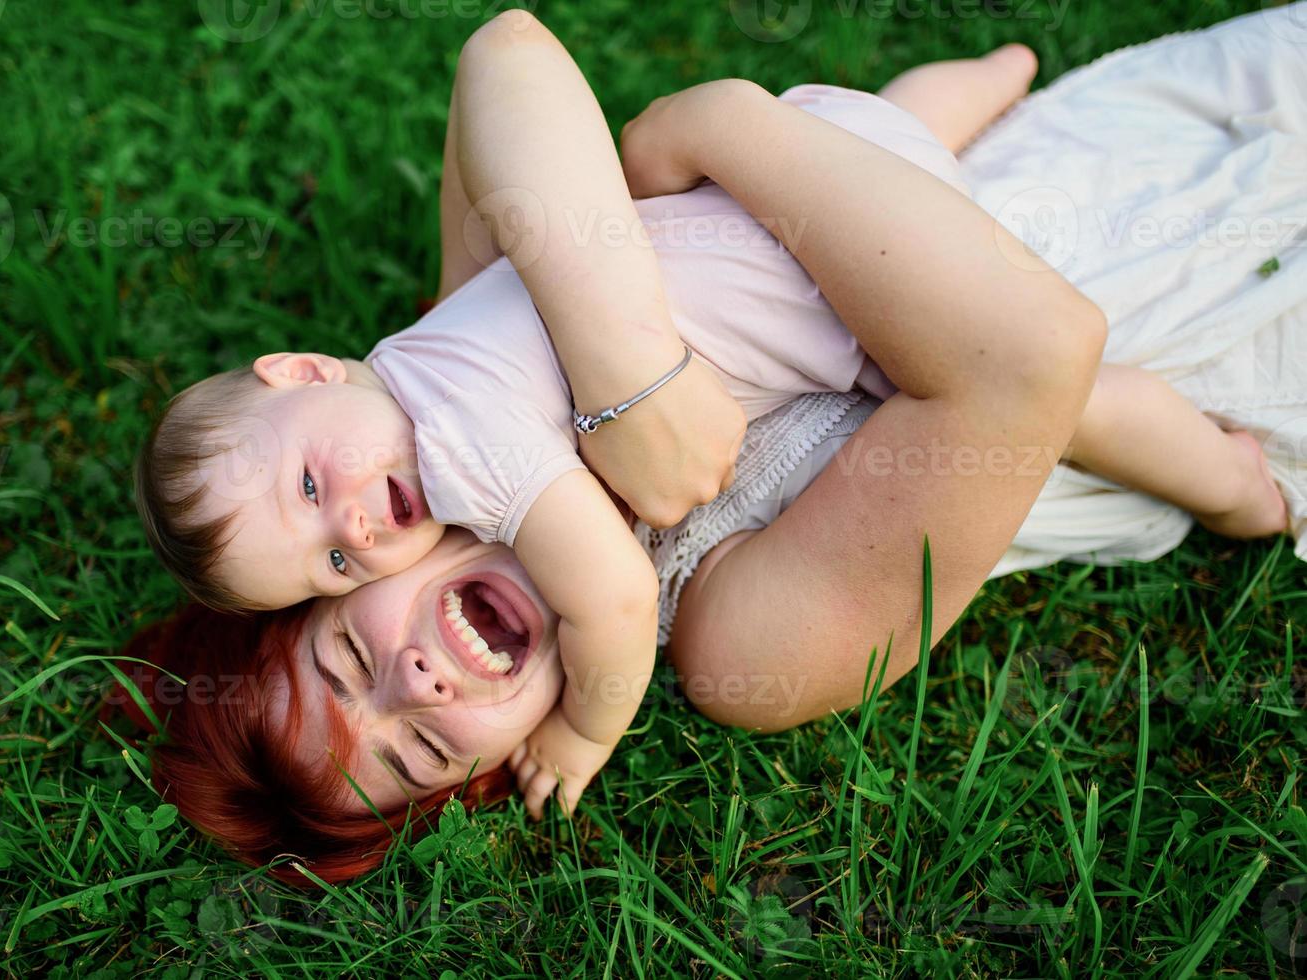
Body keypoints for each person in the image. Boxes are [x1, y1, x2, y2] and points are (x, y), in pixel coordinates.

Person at [132, 2, 1307, 887]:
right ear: (498, 766)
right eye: (417, 749)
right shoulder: (734, 637)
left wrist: (624, 370)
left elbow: (508, 56)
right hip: (1195, 318)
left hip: (1026, 165)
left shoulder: (459, 419)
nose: (418, 685)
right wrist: (724, 126)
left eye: (347, 660)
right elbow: (1042, 359)